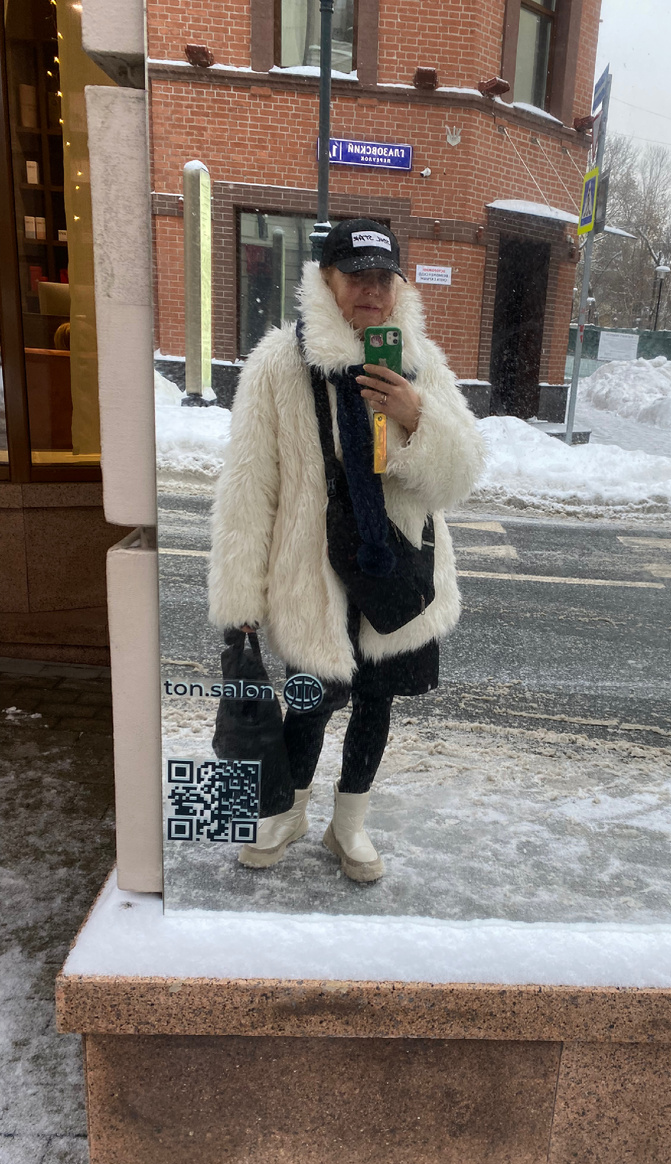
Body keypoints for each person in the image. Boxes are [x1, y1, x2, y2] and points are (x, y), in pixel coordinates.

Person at [208, 218, 484, 882]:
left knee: (376, 700)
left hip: (398, 566)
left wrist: (417, 415)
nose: (372, 291)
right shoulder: (280, 363)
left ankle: (349, 824)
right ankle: (289, 812)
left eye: (384, 277)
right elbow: (249, 488)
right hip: (315, 575)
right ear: (327, 280)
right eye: (357, 276)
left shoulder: (418, 360)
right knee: (310, 697)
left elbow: (461, 474)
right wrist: (241, 600)